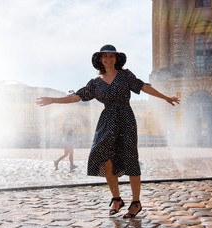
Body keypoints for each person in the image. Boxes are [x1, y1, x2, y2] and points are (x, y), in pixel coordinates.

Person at [36, 44, 180, 218]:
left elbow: (143, 87)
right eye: (105, 56)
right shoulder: (95, 84)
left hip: (126, 118)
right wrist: (53, 100)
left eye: (112, 56)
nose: (108, 59)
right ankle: (117, 199)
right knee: (104, 159)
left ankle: (136, 202)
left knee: (130, 158)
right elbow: (77, 97)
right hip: (107, 120)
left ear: (116, 59)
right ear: (100, 60)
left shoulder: (126, 75)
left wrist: (165, 98)